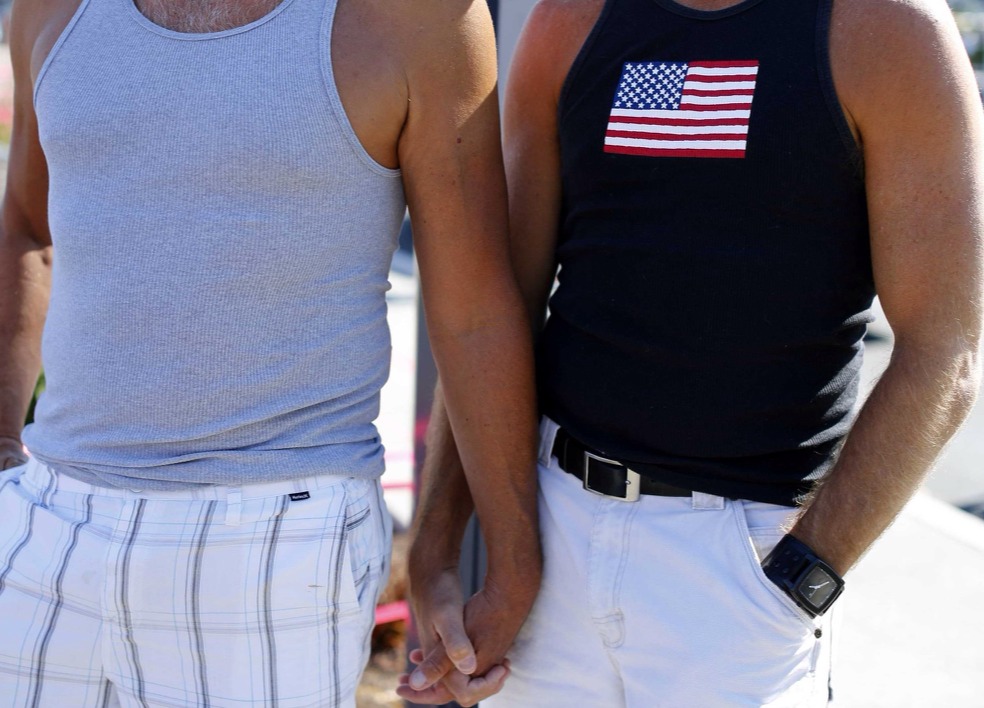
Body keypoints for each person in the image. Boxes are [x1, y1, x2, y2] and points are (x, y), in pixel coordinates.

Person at [400, 0, 984, 704]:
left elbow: (943, 354)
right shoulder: (571, 19)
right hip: (550, 538)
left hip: (742, 568)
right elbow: (497, 314)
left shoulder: (890, 28)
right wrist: (438, 542)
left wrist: (801, 578)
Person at [0, 0, 541, 704]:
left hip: (277, 537)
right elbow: (27, 228)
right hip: (47, 520)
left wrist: (501, 560)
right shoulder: (51, 8)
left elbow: (474, 313)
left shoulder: (416, 18)